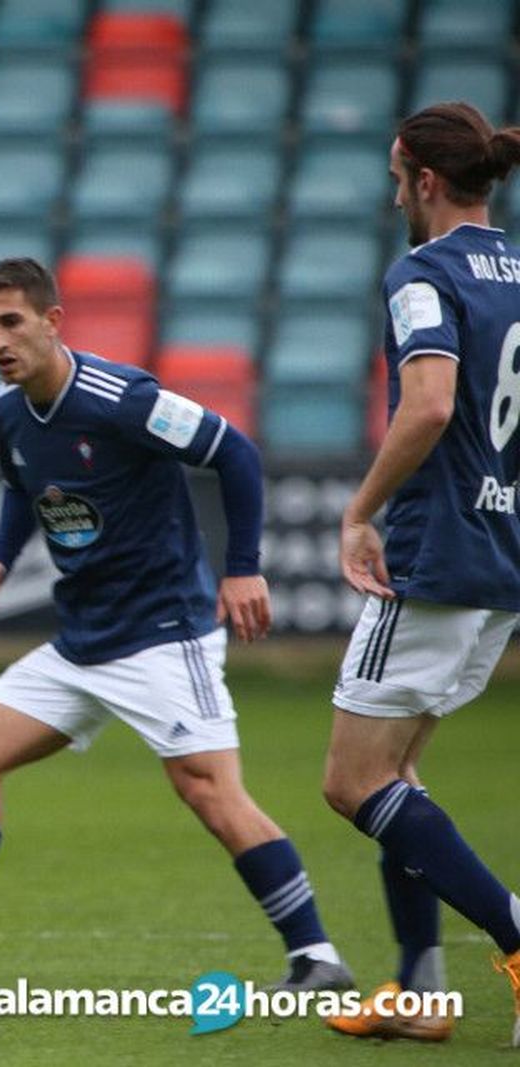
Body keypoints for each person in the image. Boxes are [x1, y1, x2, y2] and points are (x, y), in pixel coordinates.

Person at [0, 257, 352, 993]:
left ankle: (317, 957)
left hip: (163, 633)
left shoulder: (123, 399)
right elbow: (29, 489)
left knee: (211, 792)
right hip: (83, 641)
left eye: (12, 322)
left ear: (53, 322)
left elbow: (235, 453)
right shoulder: (8, 410)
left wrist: (242, 566)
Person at [319, 102, 520, 1046]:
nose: (395, 193)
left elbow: (430, 402)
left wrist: (361, 513)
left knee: (353, 783)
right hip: (501, 554)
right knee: (400, 776)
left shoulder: (422, 273)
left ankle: (517, 937)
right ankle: (420, 990)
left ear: (424, 181)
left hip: (436, 554)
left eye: (397, 178)